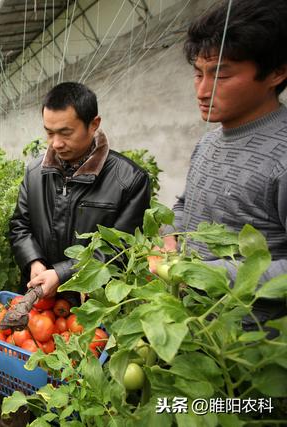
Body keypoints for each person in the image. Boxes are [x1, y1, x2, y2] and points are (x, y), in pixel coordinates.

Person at [150, 0, 287, 329]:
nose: (202, 90)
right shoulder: (209, 142)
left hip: (249, 351)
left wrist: (203, 274)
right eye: (199, 73)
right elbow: (189, 203)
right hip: (196, 332)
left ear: (276, 72)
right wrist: (170, 235)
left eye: (220, 75)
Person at [9, 82, 151, 298]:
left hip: (94, 303)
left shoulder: (130, 180)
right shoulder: (35, 172)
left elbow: (120, 249)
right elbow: (20, 225)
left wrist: (63, 274)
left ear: (94, 124)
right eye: (49, 133)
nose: (56, 143)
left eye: (66, 133)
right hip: (39, 299)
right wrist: (33, 260)